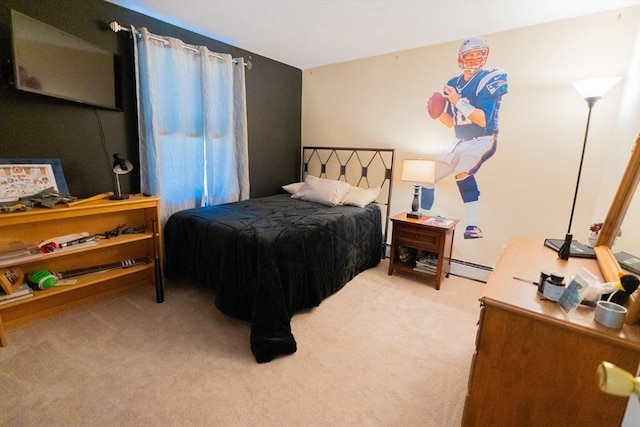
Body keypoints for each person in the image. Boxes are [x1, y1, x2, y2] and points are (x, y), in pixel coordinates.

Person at [422, 36, 507, 239]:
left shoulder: (490, 78)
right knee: (426, 176)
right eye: (471, 55)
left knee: (462, 171)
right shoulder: (453, 83)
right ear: (461, 58)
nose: (475, 58)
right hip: (460, 141)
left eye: (479, 54)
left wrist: (458, 100)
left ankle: (473, 225)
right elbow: (451, 122)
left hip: (484, 138)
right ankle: (422, 217)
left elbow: (482, 120)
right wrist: (437, 113)